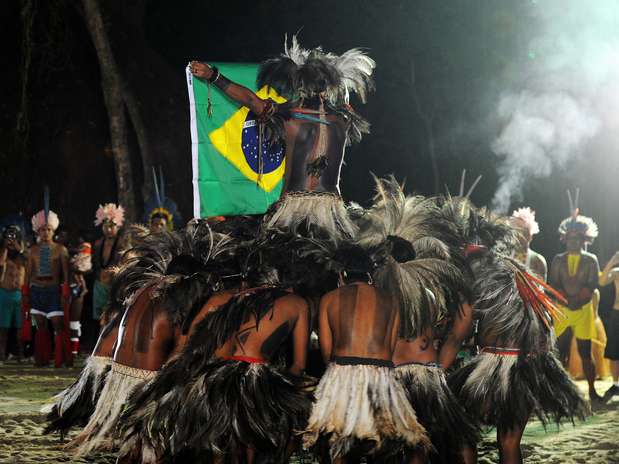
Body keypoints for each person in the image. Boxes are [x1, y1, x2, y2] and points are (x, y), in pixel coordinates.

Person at [190, 35, 375, 240]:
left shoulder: (289, 117)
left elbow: (250, 99)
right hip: (332, 213)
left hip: (293, 213)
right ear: (327, 87)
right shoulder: (343, 119)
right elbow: (344, 103)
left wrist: (213, 75)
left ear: (300, 86)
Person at [549, 209, 602, 401]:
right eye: (570, 238)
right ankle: (560, 393)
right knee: (560, 351)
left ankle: (592, 390)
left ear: (584, 240)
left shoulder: (591, 260)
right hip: (562, 309)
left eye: (577, 238)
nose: (574, 241)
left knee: (585, 352)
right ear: (564, 239)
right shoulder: (558, 260)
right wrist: (565, 301)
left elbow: (592, 284)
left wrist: (579, 300)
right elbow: (553, 284)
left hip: (583, 311)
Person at [26, 209, 71, 367]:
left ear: (54, 230)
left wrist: (65, 292)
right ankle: (41, 359)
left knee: (58, 324)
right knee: (40, 325)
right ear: (38, 231)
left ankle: (60, 359)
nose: (46, 232)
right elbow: (27, 274)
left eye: (49, 229)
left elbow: (66, 274)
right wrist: (26, 293)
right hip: (37, 290)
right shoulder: (32, 251)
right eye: (43, 229)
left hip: (53, 291)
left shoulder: (61, 250)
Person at [92, 203, 125, 323]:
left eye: (112, 226)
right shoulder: (97, 244)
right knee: (100, 319)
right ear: (102, 227)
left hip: (114, 286)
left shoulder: (122, 244)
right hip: (99, 285)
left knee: (113, 318)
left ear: (118, 227)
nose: (109, 230)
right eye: (106, 226)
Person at [0, 225, 27, 362]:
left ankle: (21, 355)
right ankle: (2, 354)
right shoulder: (2, 253)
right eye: (8, 237)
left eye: (13, 237)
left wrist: (19, 247)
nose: (11, 241)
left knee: (20, 328)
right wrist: (5, 247)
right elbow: (0, 263)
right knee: (3, 328)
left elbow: (28, 261)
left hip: (19, 295)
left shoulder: (23, 255)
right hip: (4, 293)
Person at [599, 250, 619, 400]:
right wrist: (612, 261)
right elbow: (602, 281)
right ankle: (616, 383)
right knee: (613, 351)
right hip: (617, 313)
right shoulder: (616, 272)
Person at [510, 207, 547, 281]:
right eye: (517, 233)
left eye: (524, 233)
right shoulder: (506, 256)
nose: (520, 237)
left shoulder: (538, 261)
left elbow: (540, 289)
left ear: (530, 236)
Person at [68, 240, 92, 356]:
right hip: (66, 288)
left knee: (75, 321)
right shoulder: (67, 255)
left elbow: (82, 270)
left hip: (78, 291)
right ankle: (68, 349)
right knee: (65, 322)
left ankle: (74, 350)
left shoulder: (85, 260)